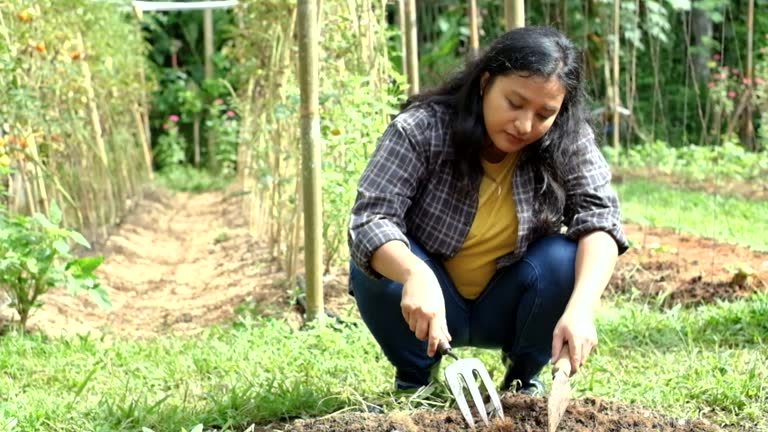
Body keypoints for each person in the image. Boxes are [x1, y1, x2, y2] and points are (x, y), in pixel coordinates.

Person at [347, 25, 629, 395]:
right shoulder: (421, 129)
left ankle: (523, 379)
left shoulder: (568, 139)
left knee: (563, 260)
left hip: (507, 301)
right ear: (485, 83)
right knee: (378, 264)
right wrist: (415, 272)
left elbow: (601, 220)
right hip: (429, 300)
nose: (525, 125)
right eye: (514, 103)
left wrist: (581, 308)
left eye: (544, 113)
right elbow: (371, 219)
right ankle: (416, 379)